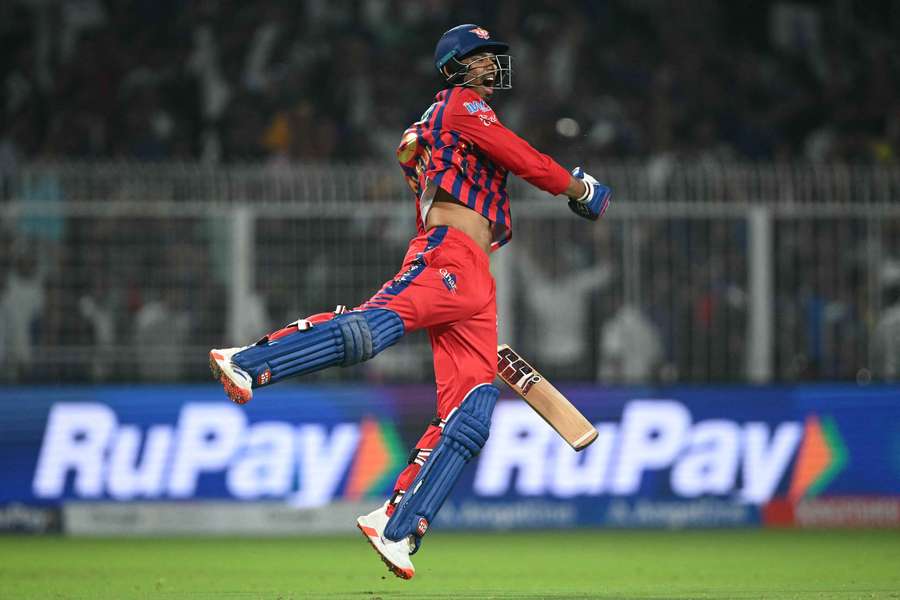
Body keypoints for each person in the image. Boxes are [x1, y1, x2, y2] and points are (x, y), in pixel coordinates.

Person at [209, 24, 611, 580]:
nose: (493, 66)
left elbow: (455, 167)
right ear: (455, 68)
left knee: (471, 415)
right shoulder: (460, 106)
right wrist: (580, 189)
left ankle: (397, 526)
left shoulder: (431, 126)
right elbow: (523, 158)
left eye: (494, 58)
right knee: (370, 331)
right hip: (447, 256)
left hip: (475, 274)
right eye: (481, 58)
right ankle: (247, 362)